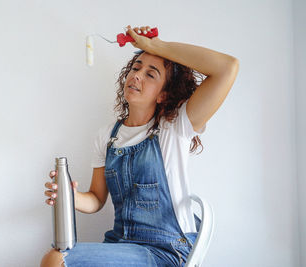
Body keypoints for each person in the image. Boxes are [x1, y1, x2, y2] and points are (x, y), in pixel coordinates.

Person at [41, 25, 239, 267]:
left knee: (56, 260)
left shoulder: (175, 127)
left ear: (163, 95)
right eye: (136, 68)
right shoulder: (107, 137)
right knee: (56, 254)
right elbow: (96, 198)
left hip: (166, 251)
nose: (136, 75)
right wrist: (71, 197)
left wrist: (156, 46)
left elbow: (227, 68)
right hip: (121, 245)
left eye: (150, 74)